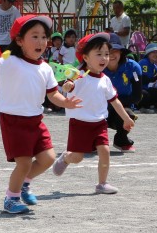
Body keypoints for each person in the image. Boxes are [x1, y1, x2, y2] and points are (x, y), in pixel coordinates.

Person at [0, 14, 81, 214]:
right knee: (24, 162)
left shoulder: (45, 68)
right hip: (13, 121)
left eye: (44, 37)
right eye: (34, 36)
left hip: (36, 120)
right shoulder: (9, 59)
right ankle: (11, 199)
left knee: (48, 158)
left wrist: (66, 102)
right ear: (19, 41)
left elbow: (52, 94)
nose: (41, 41)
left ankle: (24, 184)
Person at [51, 32, 135, 194]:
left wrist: (126, 118)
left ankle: (102, 184)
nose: (104, 58)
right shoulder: (78, 75)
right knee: (77, 157)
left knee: (105, 151)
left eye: (106, 54)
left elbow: (115, 101)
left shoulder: (105, 80)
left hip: (99, 124)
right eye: (99, 54)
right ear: (86, 58)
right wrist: (67, 86)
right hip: (79, 124)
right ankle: (66, 158)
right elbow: (68, 85)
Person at [103, 33, 142, 150]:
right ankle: (94, 138)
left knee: (129, 114)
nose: (111, 54)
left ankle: (121, 139)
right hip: (99, 107)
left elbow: (137, 96)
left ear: (121, 52)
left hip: (123, 107)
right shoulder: (95, 67)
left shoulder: (133, 67)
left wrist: (115, 103)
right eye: (108, 51)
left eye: (115, 51)